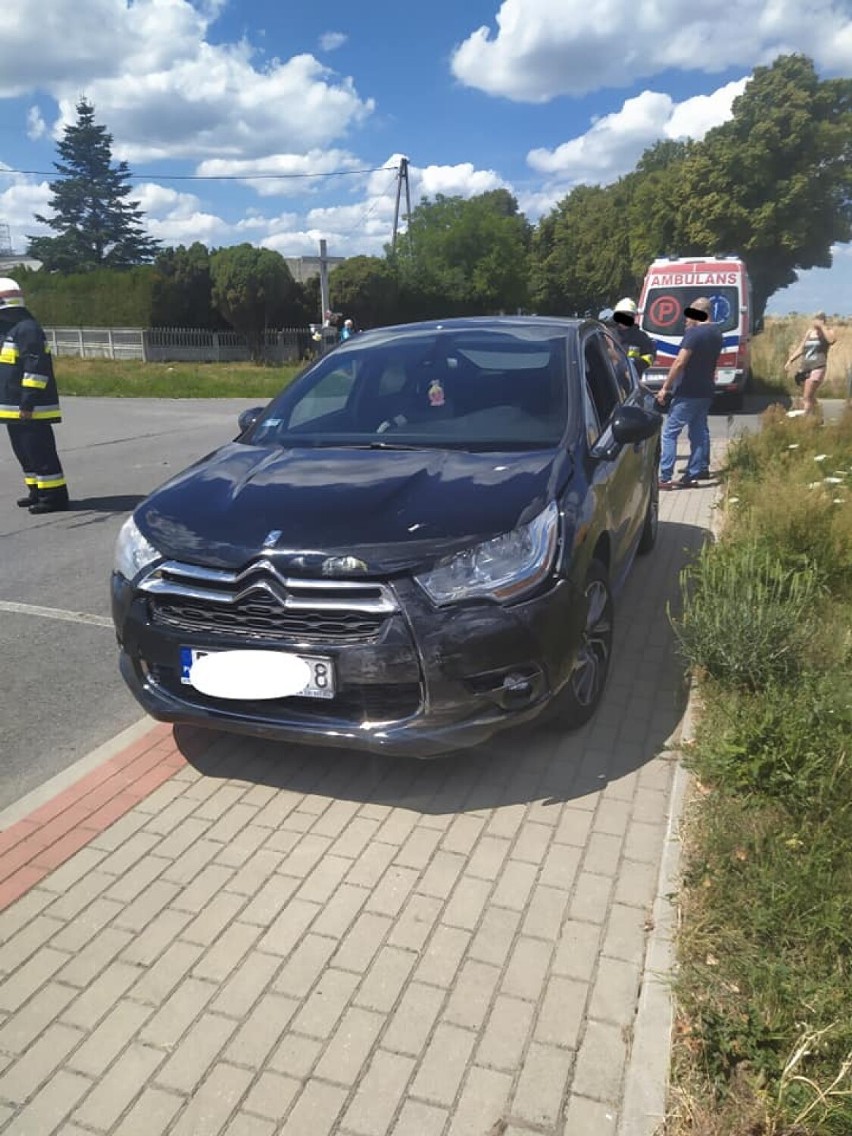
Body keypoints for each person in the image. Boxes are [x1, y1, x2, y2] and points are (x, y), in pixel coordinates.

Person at [0, 277, 69, 513]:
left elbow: (36, 369)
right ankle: (37, 491)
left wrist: (28, 400)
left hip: (30, 407)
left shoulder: (27, 329)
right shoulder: (10, 330)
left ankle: (54, 497)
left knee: (40, 452)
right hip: (14, 408)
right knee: (25, 453)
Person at [655, 296, 722, 489]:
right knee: (698, 432)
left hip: (688, 390)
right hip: (706, 390)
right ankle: (694, 474)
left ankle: (665, 476)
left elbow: (680, 362)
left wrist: (666, 387)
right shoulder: (717, 334)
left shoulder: (694, 334)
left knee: (669, 433)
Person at [785, 312, 836, 416]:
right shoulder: (809, 333)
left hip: (818, 366)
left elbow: (831, 340)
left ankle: (806, 418)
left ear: (823, 320)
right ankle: (817, 415)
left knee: (807, 396)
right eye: (815, 319)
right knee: (810, 395)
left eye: (818, 319)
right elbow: (801, 348)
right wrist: (790, 360)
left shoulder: (828, 332)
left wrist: (822, 327)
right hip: (806, 366)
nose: (815, 322)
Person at [608, 297, 657, 377]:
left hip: (633, 380)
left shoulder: (641, 337)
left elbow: (650, 357)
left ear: (633, 317)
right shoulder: (609, 334)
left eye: (628, 315)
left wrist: (635, 364)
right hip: (612, 380)